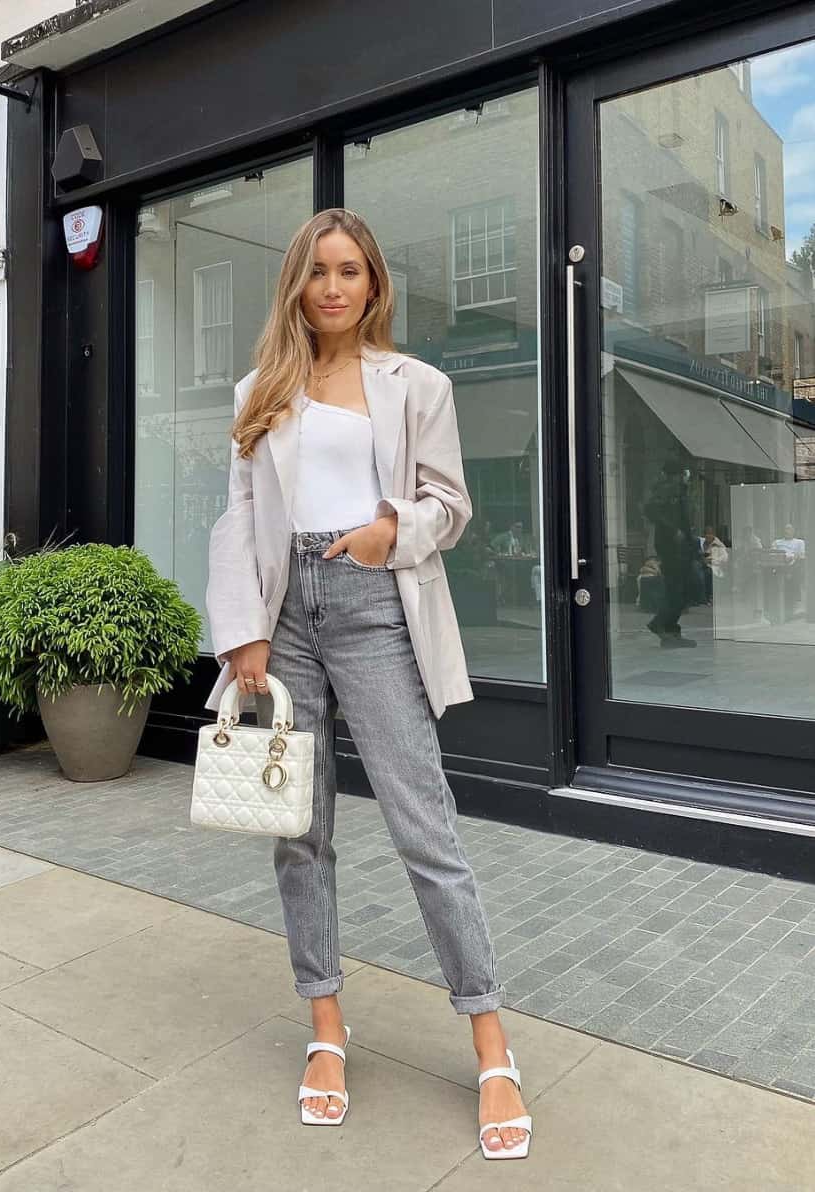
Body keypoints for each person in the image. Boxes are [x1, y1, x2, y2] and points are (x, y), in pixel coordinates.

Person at [205, 208, 530, 1159]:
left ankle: (491, 1042)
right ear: (297, 287)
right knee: (300, 835)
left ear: (374, 283)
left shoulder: (415, 384)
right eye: (318, 272)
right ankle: (325, 1028)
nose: (335, 287)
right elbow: (237, 523)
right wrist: (244, 636)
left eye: (350, 271)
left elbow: (452, 503)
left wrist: (395, 528)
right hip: (285, 617)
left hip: (376, 600)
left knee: (424, 826)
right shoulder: (260, 389)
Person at [643, 458, 700, 647]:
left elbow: (684, 518)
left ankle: (671, 630)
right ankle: (661, 625)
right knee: (676, 589)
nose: (684, 477)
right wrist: (671, 530)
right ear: (673, 475)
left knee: (683, 589)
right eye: (681, 474)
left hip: (682, 546)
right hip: (671, 547)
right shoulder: (665, 489)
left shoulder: (680, 491)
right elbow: (651, 510)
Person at [699, 524, 729, 604]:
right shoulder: (701, 543)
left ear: (713, 534)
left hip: (715, 567)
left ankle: (709, 596)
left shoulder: (719, 545)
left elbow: (725, 557)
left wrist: (712, 560)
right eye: (706, 534)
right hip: (703, 565)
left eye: (710, 533)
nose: (708, 536)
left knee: (708, 573)